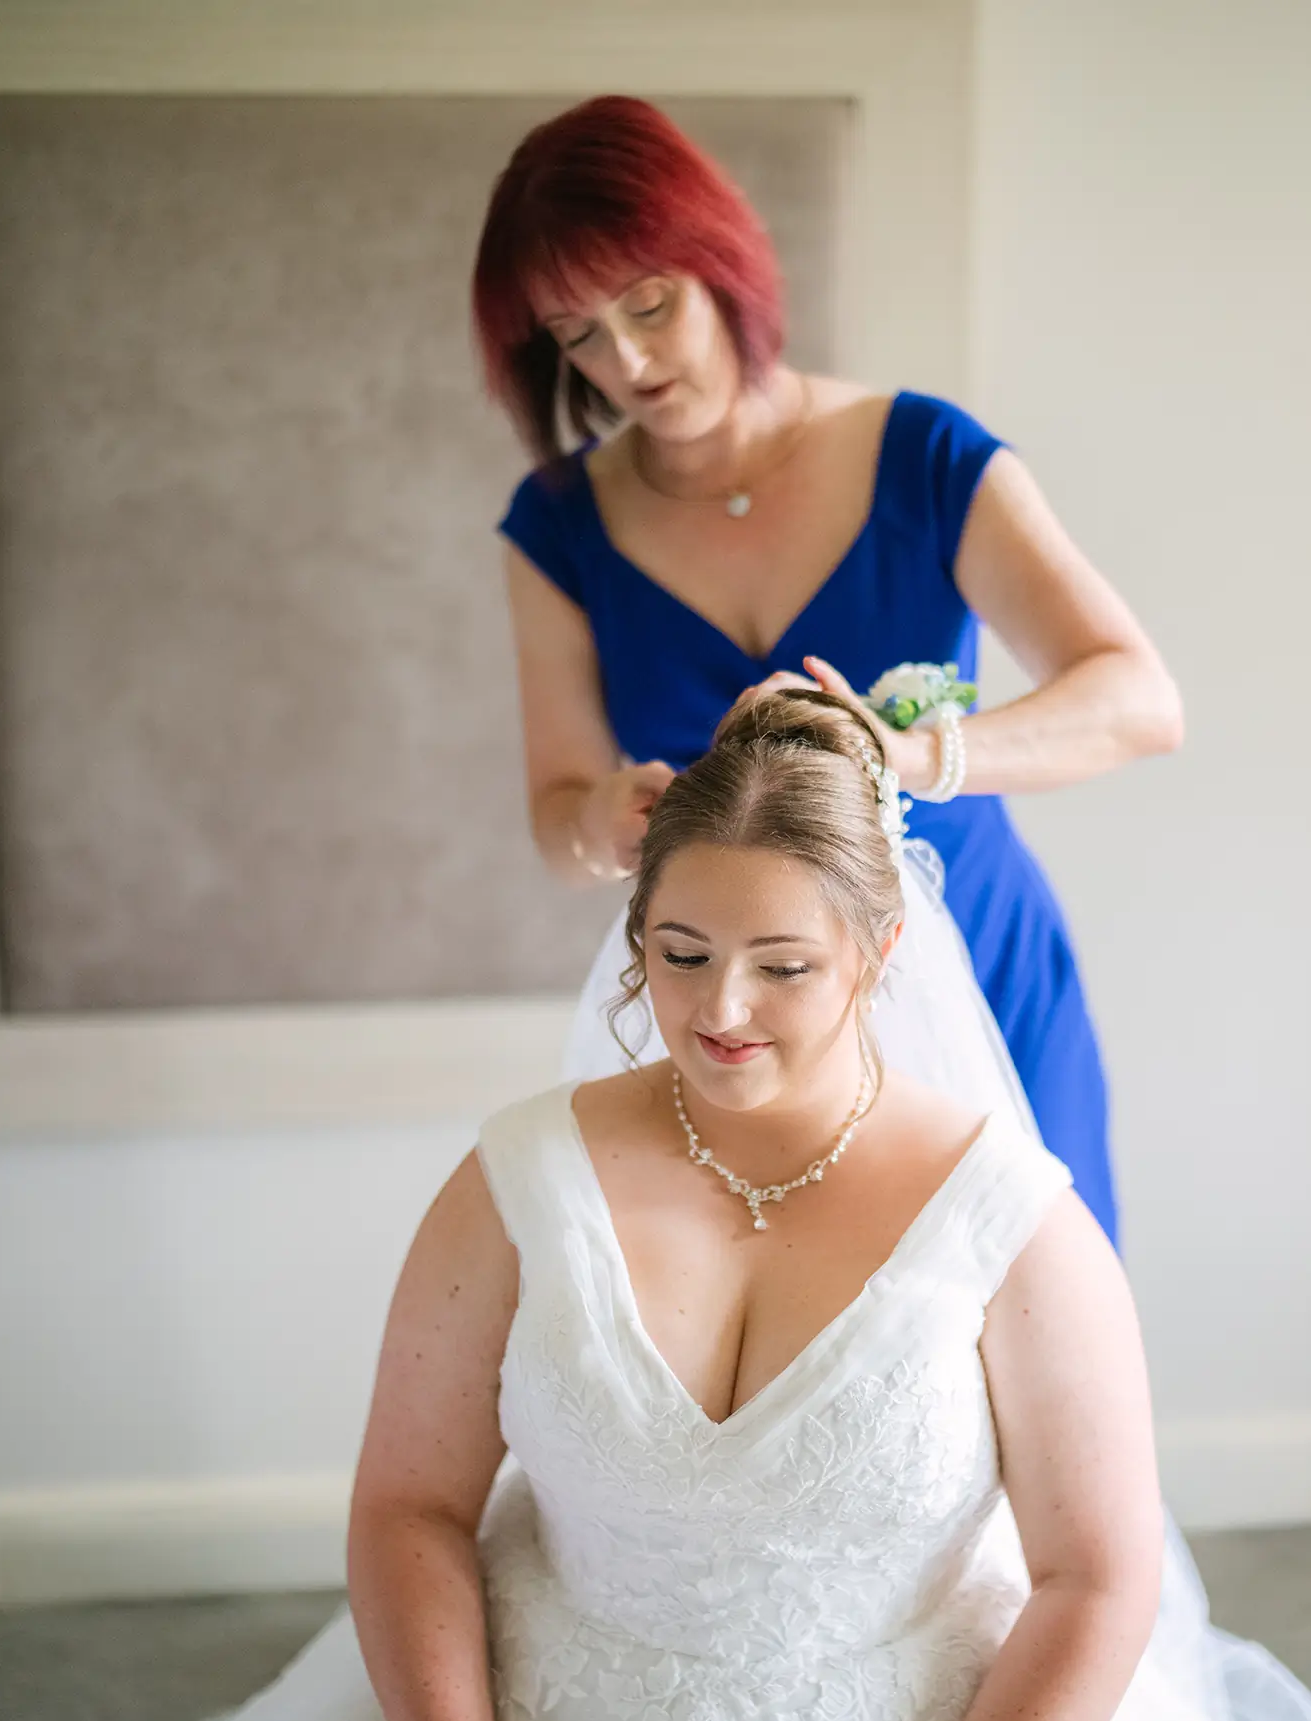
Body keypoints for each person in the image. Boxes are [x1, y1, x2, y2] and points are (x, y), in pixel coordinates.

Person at [73, 692, 1311, 1721]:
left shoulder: (1014, 1223)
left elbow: (1099, 1576)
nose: (721, 1010)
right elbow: (408, 1504)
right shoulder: (518, 1178)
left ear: (879, 951)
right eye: (680, 953)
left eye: (783, 966)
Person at [477, 93, 1188, 1250]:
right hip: (745, 1026)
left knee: (1034, 1305)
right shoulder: (558, 527)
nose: (628, 361)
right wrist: (605, 818)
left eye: (649, 304)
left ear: (719, 262)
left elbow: (1140, 700)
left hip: (982, 961)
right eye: (578, 335)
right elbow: (557, 821)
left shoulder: (925, 459)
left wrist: (917, 756)